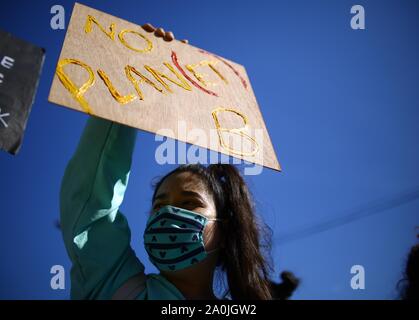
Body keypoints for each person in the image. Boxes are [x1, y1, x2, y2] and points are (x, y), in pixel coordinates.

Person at [60, 23, 274, 300]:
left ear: (224, 229)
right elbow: (89, 201)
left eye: (189, 203)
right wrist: (136, 76)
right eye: (159, 205)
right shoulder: (113, 286)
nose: (168, 216)